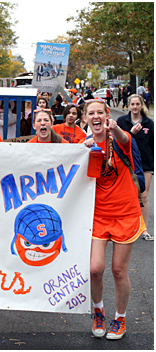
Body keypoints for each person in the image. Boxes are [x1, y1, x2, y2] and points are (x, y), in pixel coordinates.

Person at [82, 98, 145, 340]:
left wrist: (115, 128)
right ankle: (98, 311)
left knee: (119, 270)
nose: (95, 117)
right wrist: (83, 150)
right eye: (91, 113)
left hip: (126, 214)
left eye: (100, 113)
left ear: (106, 115)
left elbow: (125, 138)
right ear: (85, 118)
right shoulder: (84, 145)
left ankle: (120, 318)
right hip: (98, 215)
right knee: (95, 268)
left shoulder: (120, 139)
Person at [116, 94, 154, 241]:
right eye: (132, 104)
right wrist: (132, 133)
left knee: (144, 196)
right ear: (128, 105)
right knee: (126, 195)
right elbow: (119, 141)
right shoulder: (122, 121)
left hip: (146, 163)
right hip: (127, 162)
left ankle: (144, 230)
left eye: (138, 104)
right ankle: (125, 226)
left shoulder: (149, 123)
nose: (135, 107)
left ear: (142, 105)